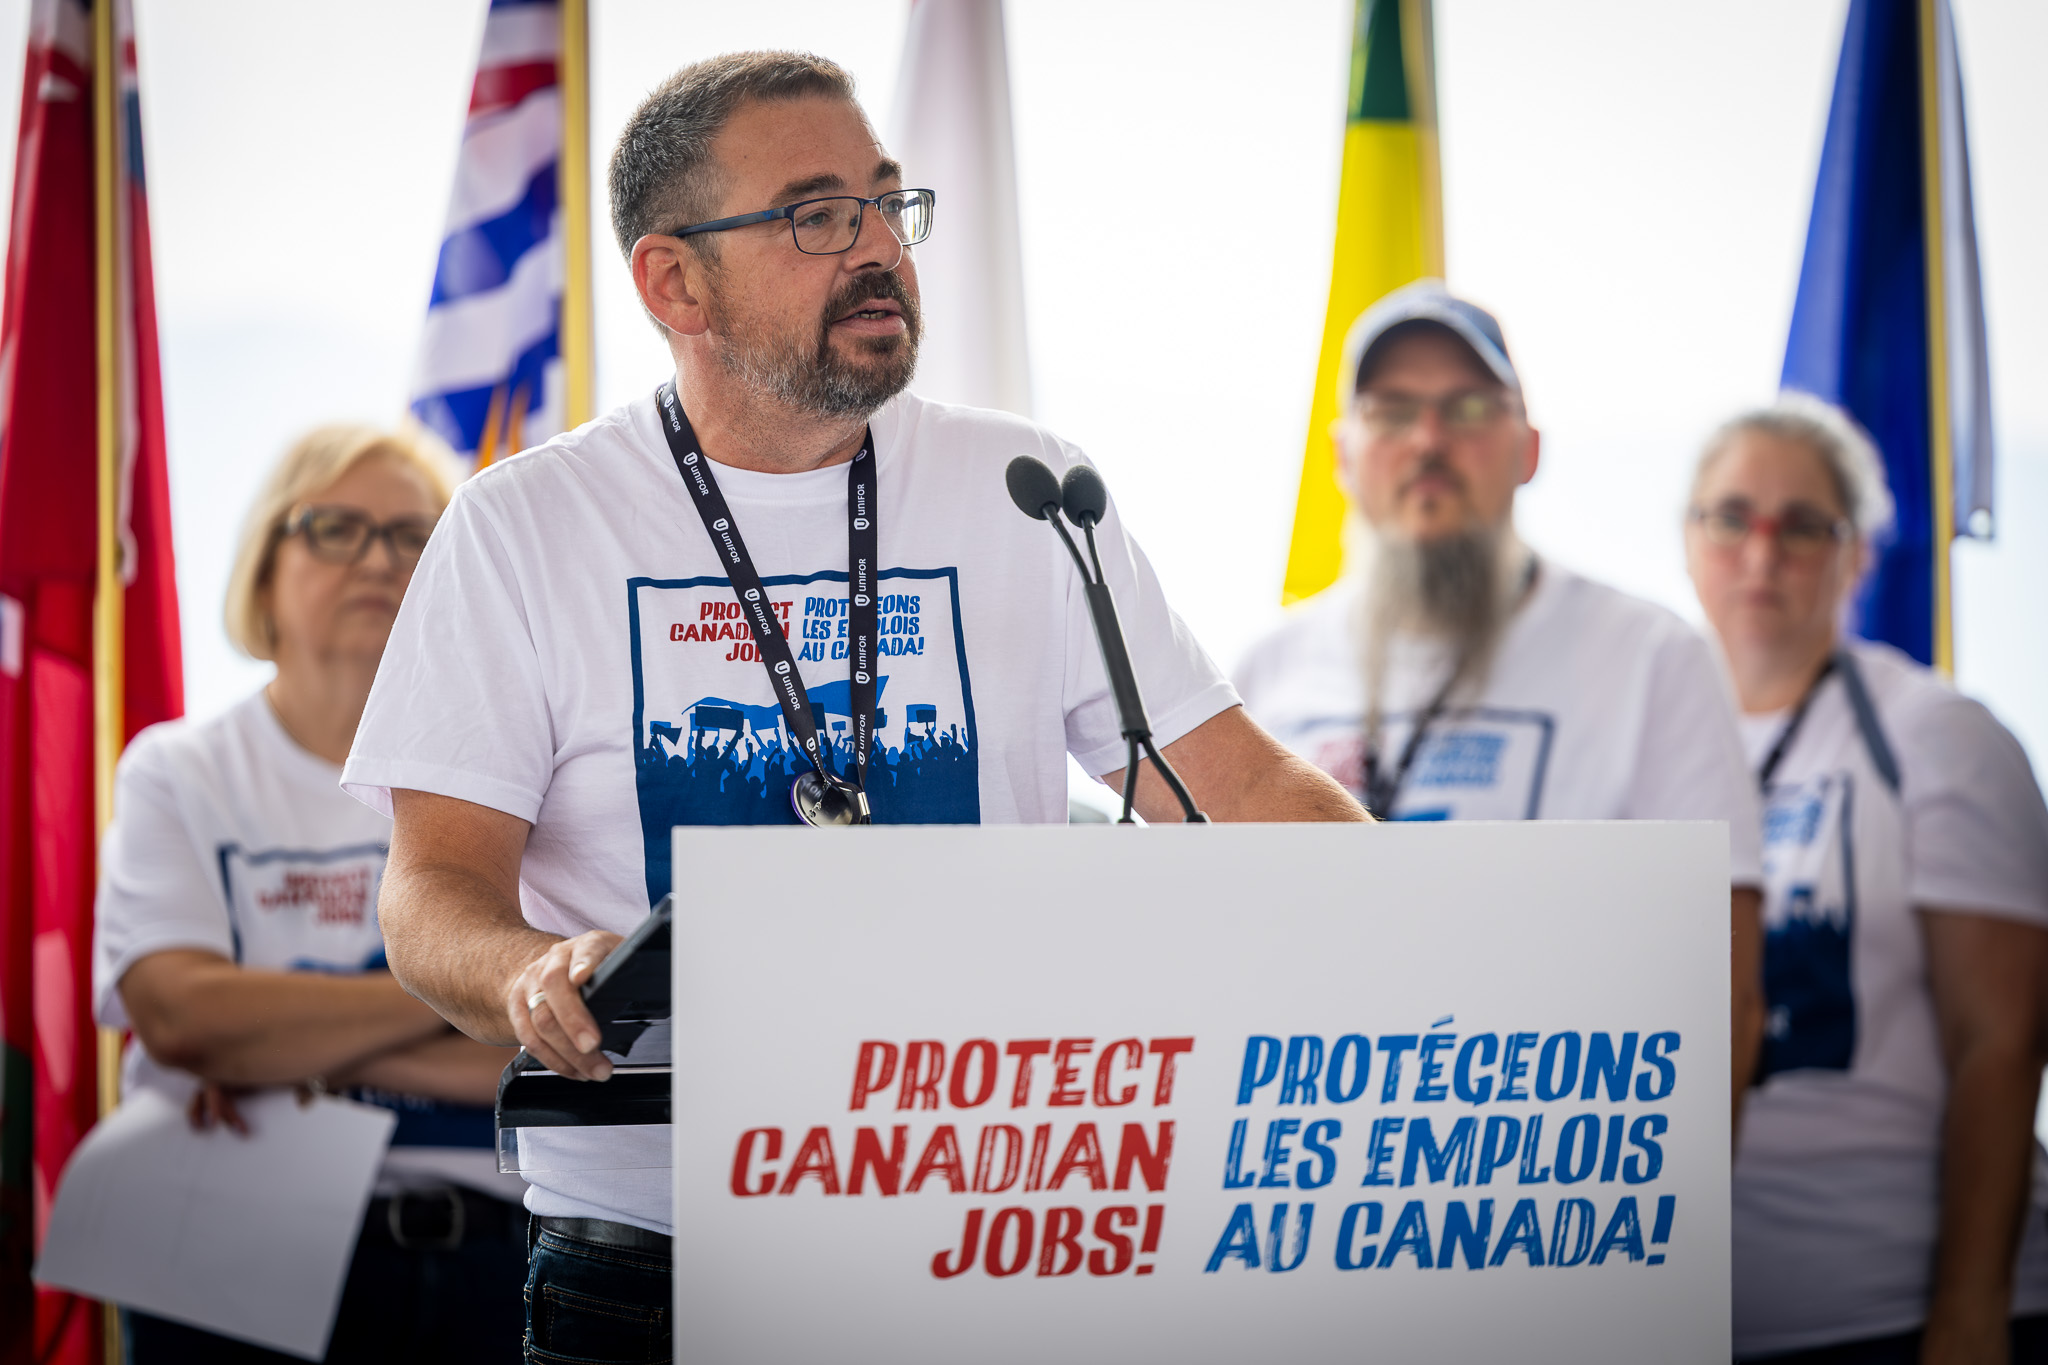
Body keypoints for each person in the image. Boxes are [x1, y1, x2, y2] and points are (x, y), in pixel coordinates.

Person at [340, 50, 1365, 1360]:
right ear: (673, 280)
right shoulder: (524, 529)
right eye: (819, 217)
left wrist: (1411, 942)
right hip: (662, 1261)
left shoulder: (1027, 489)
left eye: (889, 204)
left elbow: (1236, 788)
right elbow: (430, 890)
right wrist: (528, 969)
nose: (879, 247)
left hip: (1004, 1224)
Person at [1232, 280, 1766, 1129]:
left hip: (1553, 1179)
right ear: (1340, 454)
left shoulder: (1648, 658)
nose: (1430, 439)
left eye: (1471, 408)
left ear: (1529, 447)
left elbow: (1725, 983)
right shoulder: (1265, 671)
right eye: (1392, 410)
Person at [92, 426, 526, 1363]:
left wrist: (288, 1052)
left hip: (498, 1264)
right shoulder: (180, 769)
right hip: (224, 1245)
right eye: (335, 528)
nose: (378, 558)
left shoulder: (517, 784)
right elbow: (183, 1018)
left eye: (414, 536)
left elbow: (558, 1044)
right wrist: (455, 995)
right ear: (261, 567)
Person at [1686, 396, 2048, 1363]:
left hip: (1887, 1316)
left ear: (1859, 556)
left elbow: (2003, 1041)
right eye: (1732, 517)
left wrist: (1969, 1317)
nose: (1762, 554)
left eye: (1803, 525)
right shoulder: (1646, 745)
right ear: (1688, 538)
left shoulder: (1940, 738)